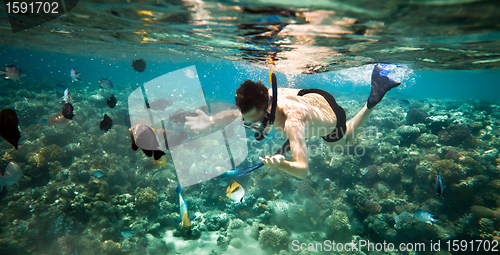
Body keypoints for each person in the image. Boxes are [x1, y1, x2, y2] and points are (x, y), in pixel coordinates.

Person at [185, 64, 400, 179]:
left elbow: (303, 170)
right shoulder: (263, 97)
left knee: (343, 144)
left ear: (267, 108)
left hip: (332, 119)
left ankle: (374, 98)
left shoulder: (292, 122)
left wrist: (283, 165)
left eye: (255, 122)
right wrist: (211, 121)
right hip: (310, 95)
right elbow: (237, 114)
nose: (252, 128)